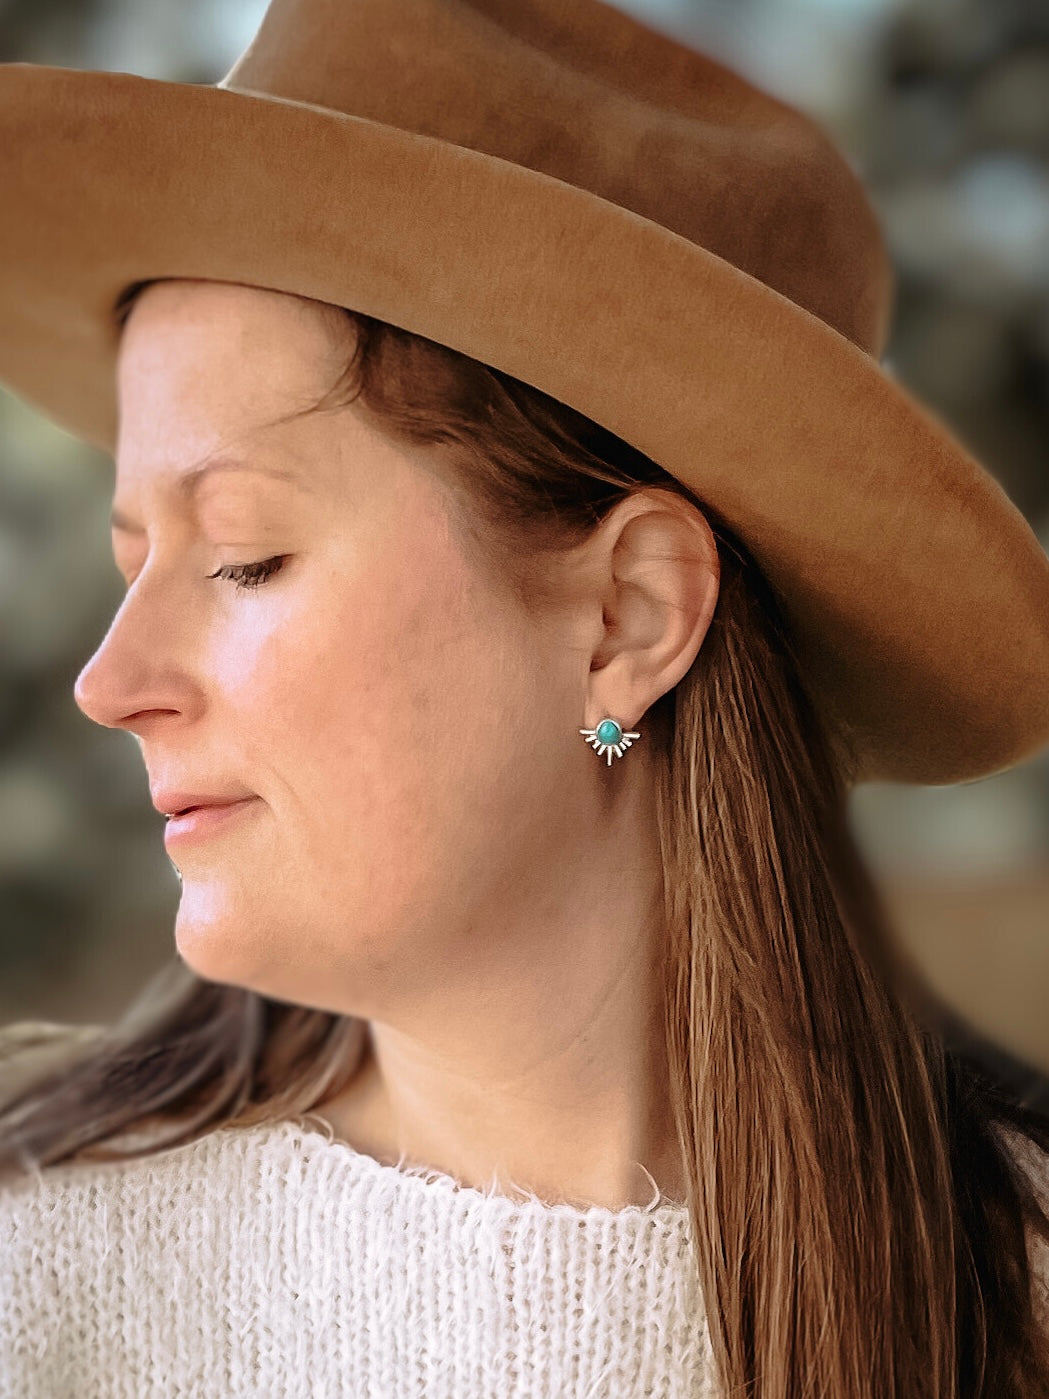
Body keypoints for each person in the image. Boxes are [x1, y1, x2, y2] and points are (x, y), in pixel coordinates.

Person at [1, 1, 1048, 1395]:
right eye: (134, 567)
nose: (111, 684)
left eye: (244, 556)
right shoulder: (37, 1283)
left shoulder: (1012, 1304)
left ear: (626, 619)